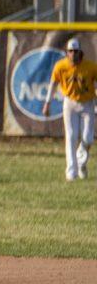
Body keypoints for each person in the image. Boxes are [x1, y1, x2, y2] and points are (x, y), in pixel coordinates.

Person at [43, 37, 97, 181]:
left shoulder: (90, 67)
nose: (73, 54)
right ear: (66, 52)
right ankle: (71, 172)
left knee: (88, 138)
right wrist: (47, 102)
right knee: (71, 136)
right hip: (70, 103)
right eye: (70, 51)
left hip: (87, 104)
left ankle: (81, 163)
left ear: (81, 52)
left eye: (75, 51)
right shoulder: (60, 66)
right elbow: (53, 83)